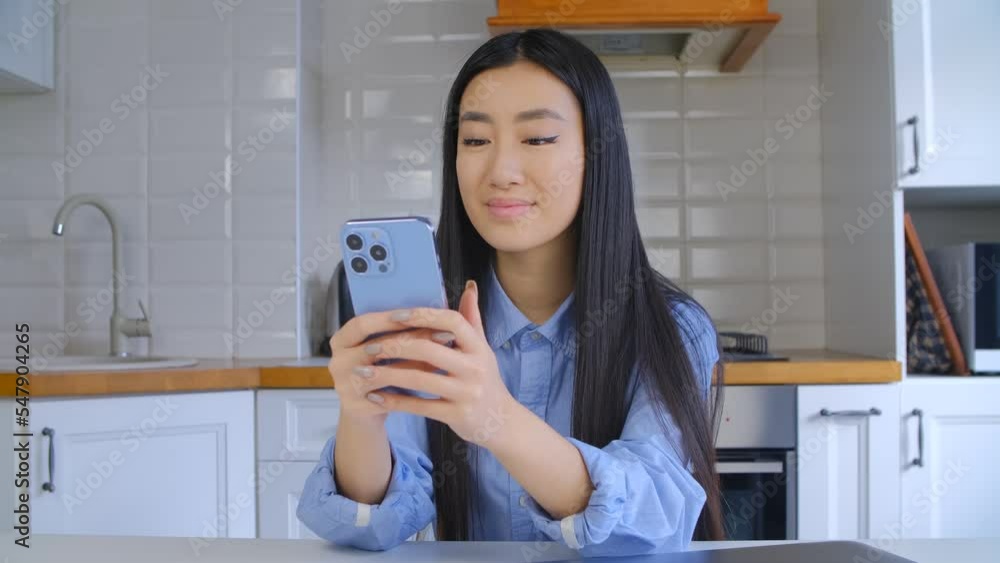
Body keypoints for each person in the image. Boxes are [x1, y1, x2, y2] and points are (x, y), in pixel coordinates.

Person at [296, 28, 725, 557]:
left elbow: (651, 523)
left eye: (538, 139)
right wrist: (362, 414)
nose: (500, 171)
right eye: (475, 141)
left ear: (597, 153)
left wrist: (496, 418)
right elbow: (365, 530)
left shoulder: (672, 328)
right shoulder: (435, 323)